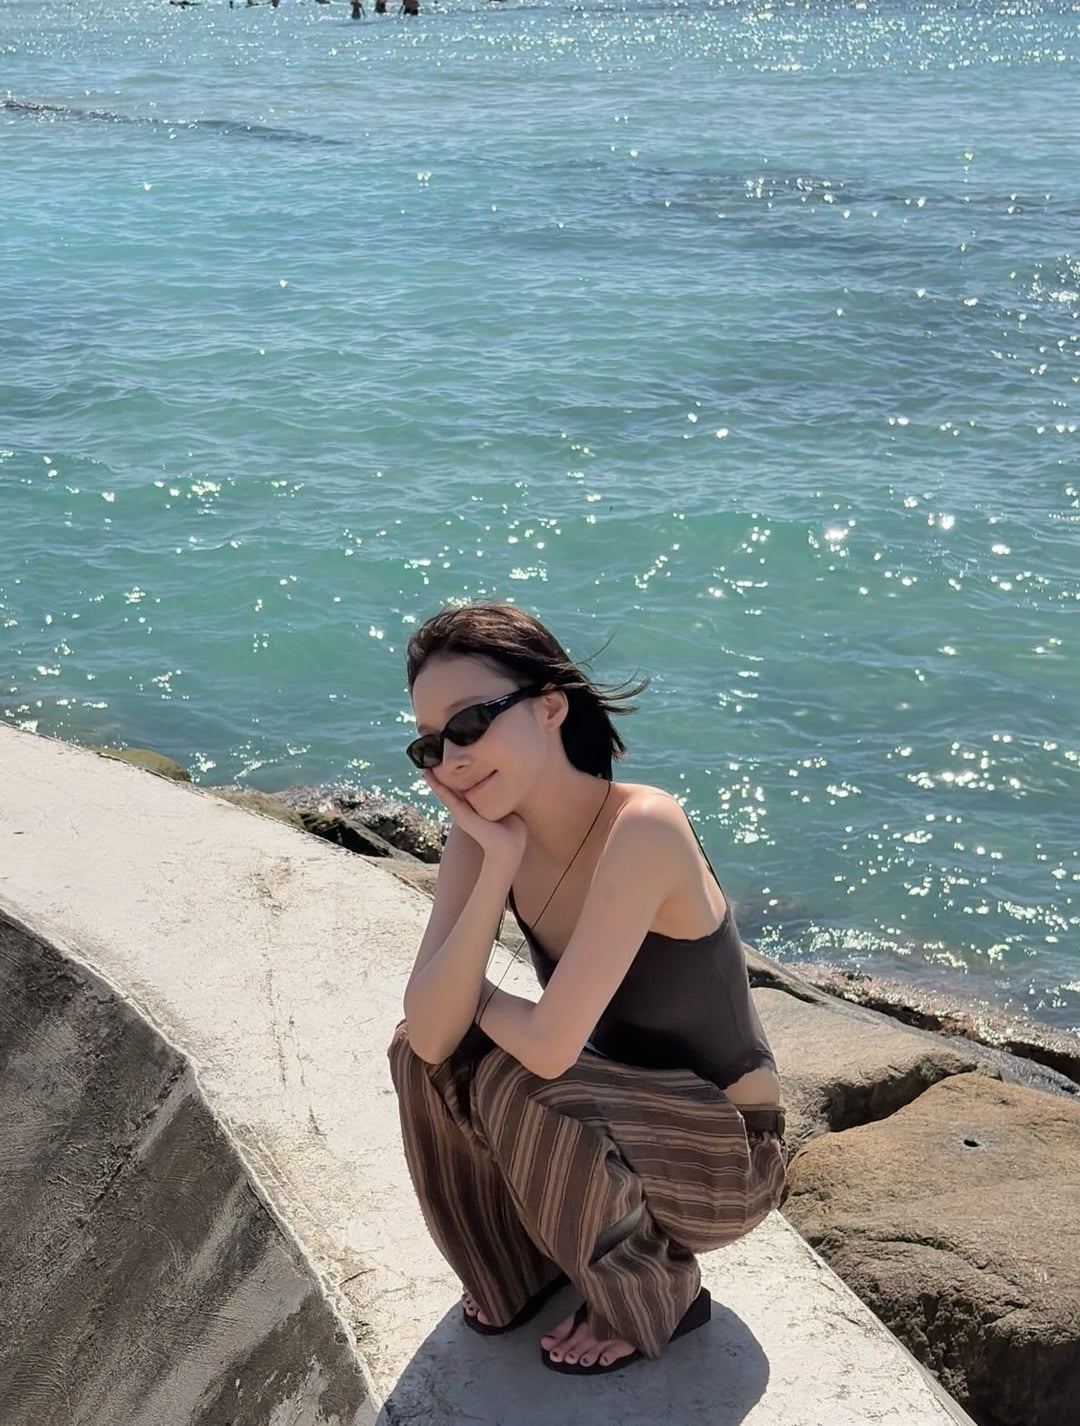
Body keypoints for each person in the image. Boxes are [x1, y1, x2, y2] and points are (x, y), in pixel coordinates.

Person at [388, 602, 787, 1375]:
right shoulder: (483, 836)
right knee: (421, 1054)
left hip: (725, 1160)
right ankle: (517, 1270)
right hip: (624, 1116)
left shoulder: (644, 828)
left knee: (520, 1077)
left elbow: (547, 1047)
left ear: (549, 707)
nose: (451, 760)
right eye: (430, 745)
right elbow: (429, 1036)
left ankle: (655, 1293)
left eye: (469, 723)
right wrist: (497, 864)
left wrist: (463, 992)